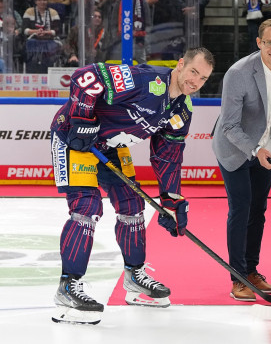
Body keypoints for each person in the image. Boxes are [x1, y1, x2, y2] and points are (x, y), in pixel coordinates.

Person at [49, 47, 215, 325]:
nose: (195, 81)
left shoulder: (182, 110)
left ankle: (134, 275)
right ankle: (68, 286)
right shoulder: (146, 81)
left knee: (133, 206)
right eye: (193, 72)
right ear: (181, 64)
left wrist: (171, 199)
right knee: (87, 208)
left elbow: (168, 156)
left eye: (204, 78)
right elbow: (86, 76)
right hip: (74, 139)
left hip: (110, 147)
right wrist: (81, 118)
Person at [211, 18, 271, 302]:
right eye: (269, 42)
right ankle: (237, 277)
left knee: (258, 210)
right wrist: (255, 150)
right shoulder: (239, 73)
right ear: (259, 43)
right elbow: (229, 126)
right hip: (235, 149)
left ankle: (251, 271)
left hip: (267, 149)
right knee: (241, 208)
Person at [22, 0, 63, 73]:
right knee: (29, 45)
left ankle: (47, 70)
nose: (42, 2)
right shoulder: (29, 11)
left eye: (44, 0)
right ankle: (32, 71)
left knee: (52, 48)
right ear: (35, 1)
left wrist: (46, 32)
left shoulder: (53, 12)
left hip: (49, 39)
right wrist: (36, 31)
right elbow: (25, 29)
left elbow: (57, 30)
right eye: (40, 0)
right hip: (33, 39)